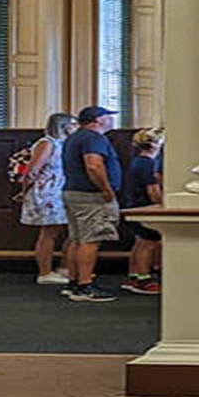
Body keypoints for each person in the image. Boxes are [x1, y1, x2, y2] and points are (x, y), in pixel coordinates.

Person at [59, 105, 123, 302]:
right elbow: (94, 165)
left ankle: (74, 281)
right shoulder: (94, 138)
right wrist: (106, 189)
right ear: (97, 120)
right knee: (91, 239)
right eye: (108, 117)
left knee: (77, 239)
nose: (112, 120)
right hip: (91, 195)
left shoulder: (74, 137)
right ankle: (85, 286)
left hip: (73, 192)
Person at [18, 113, 78, 285]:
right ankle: (45, 272)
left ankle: (65, 267)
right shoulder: (47, 143)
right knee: (49, 232)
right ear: (63, 125)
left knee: (71, 231)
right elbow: (32, 171)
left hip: (63, 191)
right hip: (48, 192)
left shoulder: (66, 144)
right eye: (73, 124)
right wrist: (24, 191)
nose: (75, 127)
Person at [121, 128, 164, 295]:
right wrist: (161, 205)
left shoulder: (137, 161)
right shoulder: (148, 163)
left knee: (140, 242)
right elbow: (153, 191)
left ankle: (134, 276)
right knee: (148, 243)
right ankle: (144, 279)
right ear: (155, 144)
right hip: (143, 206)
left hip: (133, 204)